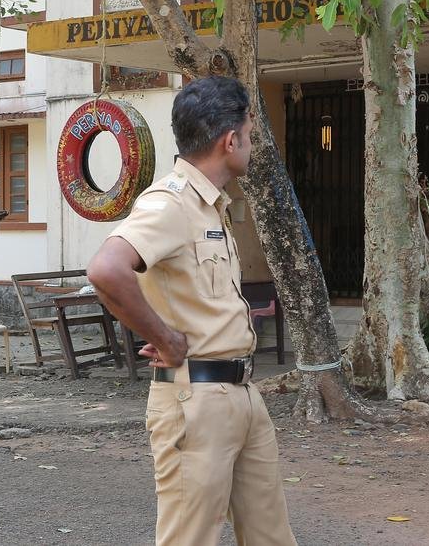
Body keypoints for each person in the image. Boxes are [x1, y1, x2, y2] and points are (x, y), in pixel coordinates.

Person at [86, 76, 297, 546]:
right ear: (230, 140)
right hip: (195, 400)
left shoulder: (210, 206)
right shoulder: (171, 203)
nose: (252, 143)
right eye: (251, 133)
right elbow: (106, 269)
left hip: (240, 393)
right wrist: (165, 337)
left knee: (271, 537)